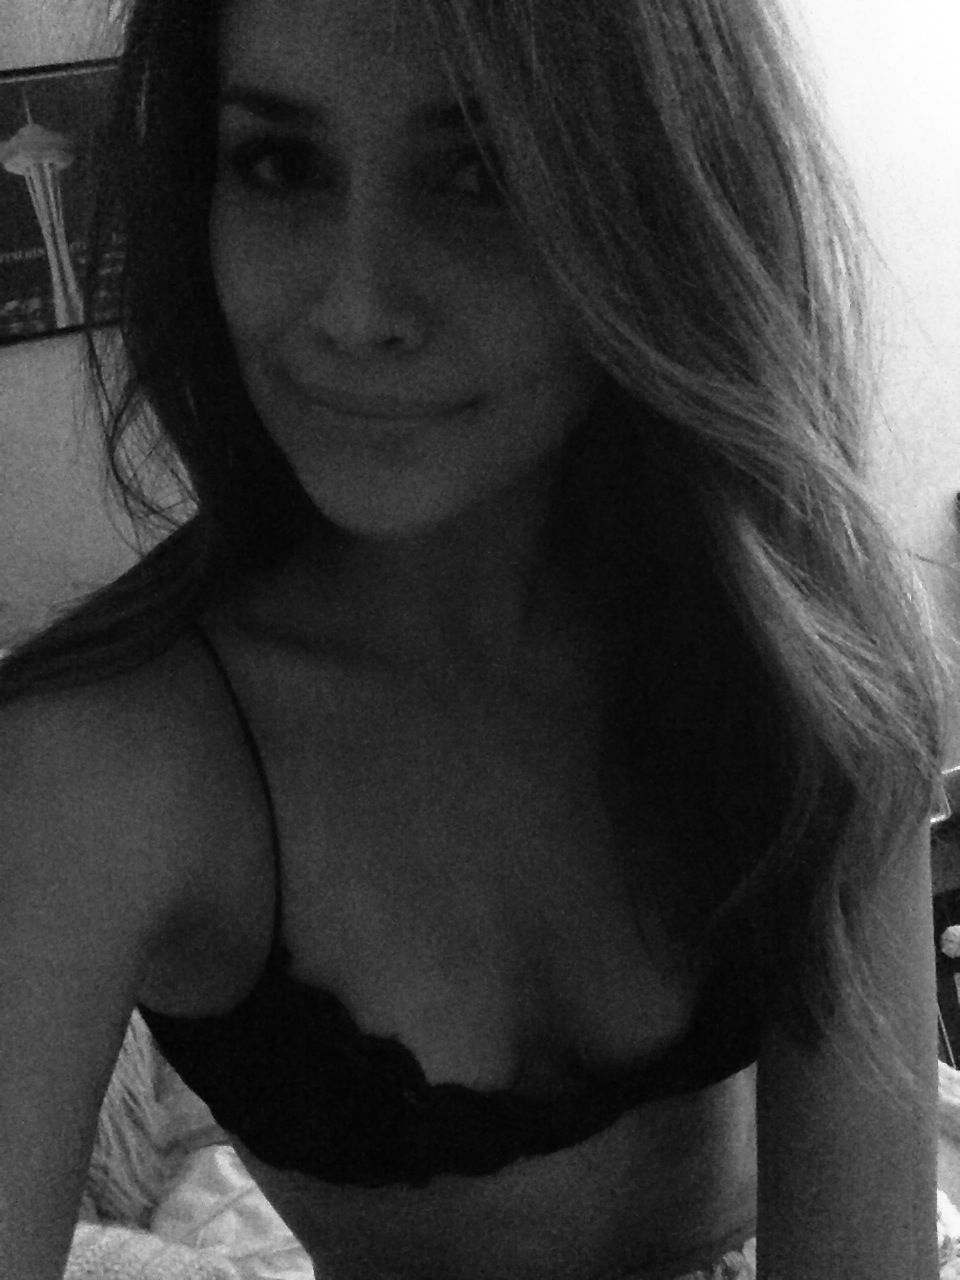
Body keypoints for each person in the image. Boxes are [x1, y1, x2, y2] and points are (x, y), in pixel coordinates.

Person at [0, 0, 952, 1276]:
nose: (359, 306)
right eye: (279, 163)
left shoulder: (803, 645)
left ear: (666, 204)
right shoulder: (96, 765)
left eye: (480, 175)